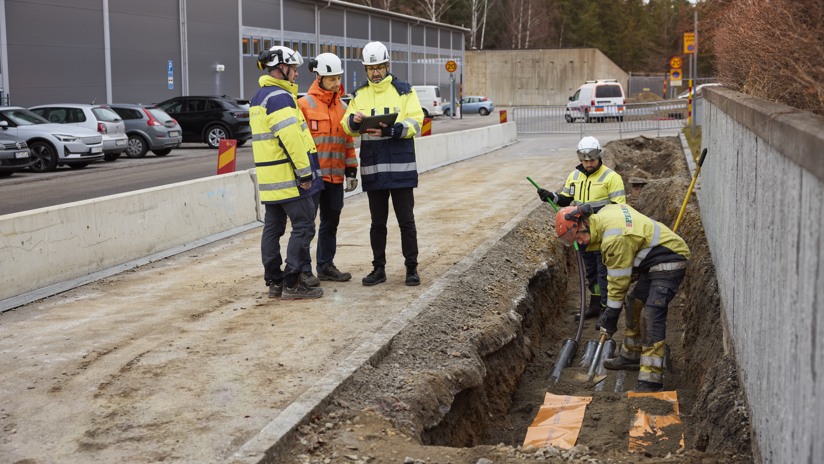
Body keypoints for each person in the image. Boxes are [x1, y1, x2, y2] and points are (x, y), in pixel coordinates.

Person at [555, 203, 690, 393]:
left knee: (651, 314)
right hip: (652, 259)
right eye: (576, 240)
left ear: (585, 222)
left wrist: (610, 315)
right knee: (634, 303)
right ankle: (632, 356)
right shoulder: (605, 214)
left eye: (580, 236)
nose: (582, 242)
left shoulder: (614, 239)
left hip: (670, 259)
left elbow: (618, 285)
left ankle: (651, 380)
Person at [341, 41, 425, 287]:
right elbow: (346, 125)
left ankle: (411, 268)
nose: (375, 72)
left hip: (400, 168)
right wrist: (355, 122)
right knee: (377, 223)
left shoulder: (404, 91)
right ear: (365, 69)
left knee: (406, 221)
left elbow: (417, 121)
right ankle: (379, 269)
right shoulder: (359, 95)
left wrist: (395, 129)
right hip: (374, 167)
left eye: (379, 67)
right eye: (371, 68)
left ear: (387, 65)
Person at [250, 45, 324, 300]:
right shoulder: (280, 98)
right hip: (289, 178)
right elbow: (291, 139)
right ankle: (293, 281)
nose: (296, 74)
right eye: (293, 69)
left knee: (272, 228)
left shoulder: (260, 97)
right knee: (303, 226)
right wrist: (305, 173)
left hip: (270, 180)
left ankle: (274, 282)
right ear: (281, 68)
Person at [537, 136, 626, 320]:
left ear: (598, 156)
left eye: (591, 160)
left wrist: (591, 211)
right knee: (591, 271)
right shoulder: (574, 176)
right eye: (585, 160)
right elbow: (564, 199)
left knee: (604, 272)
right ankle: (594, 305)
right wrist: (550, 196)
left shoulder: (611, 177)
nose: (588, 164)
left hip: (602, 234)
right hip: (582, 234)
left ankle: (605, 311)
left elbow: (619, 208)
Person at [298, 53, 359, 283]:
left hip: (335, 177)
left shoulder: (343, 107)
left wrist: (351, 171)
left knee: (330, 222)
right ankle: (304, 270)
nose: (336, 83)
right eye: (331, 79)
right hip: (312, 178)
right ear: (319, 77)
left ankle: (325, 265)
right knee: (306, 226)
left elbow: (348, 142)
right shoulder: (304, 104)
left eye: (338, 78)